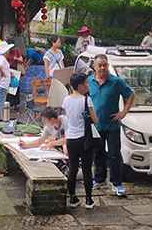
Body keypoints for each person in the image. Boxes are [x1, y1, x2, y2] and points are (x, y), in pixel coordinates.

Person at [89, 54, 135, 197]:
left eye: (105, 65)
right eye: (99, 65)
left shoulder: (115, 82)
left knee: (114, 155)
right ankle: (99, 179)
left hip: (112, 125)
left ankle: (117, 183)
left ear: (108, 65)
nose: (102, 68)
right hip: (96, 125)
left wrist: (124, 112)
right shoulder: (89, 81)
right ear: (94, 67)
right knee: (98, 154)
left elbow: (131, 94)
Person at [62, 73, 98, 209]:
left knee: (72, 168)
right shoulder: (86, 100)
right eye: (86, 83)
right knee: (87, 168)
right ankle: (88, 199)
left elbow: (68, 117)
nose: (88, 85)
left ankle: (72, 197)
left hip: (70, 138)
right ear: (80, 86)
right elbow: (94, 119)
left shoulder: (66, 100)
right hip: (84, 138)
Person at [0, 41, 14, 121]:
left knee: (0, 100)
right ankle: (0, 117)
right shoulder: (2, 58)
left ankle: (0, 116)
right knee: (1, 102)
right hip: (2, 83)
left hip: (1, 83)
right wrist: (3, 73)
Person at [4, 37, 23, 113]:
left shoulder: (17, 50)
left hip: (15, 69)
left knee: (15, 87)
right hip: (7, 69)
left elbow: (21, 60)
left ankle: (16, 105)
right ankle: (8, 103)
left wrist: (16, 59)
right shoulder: (6, 51)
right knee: (8, 87)